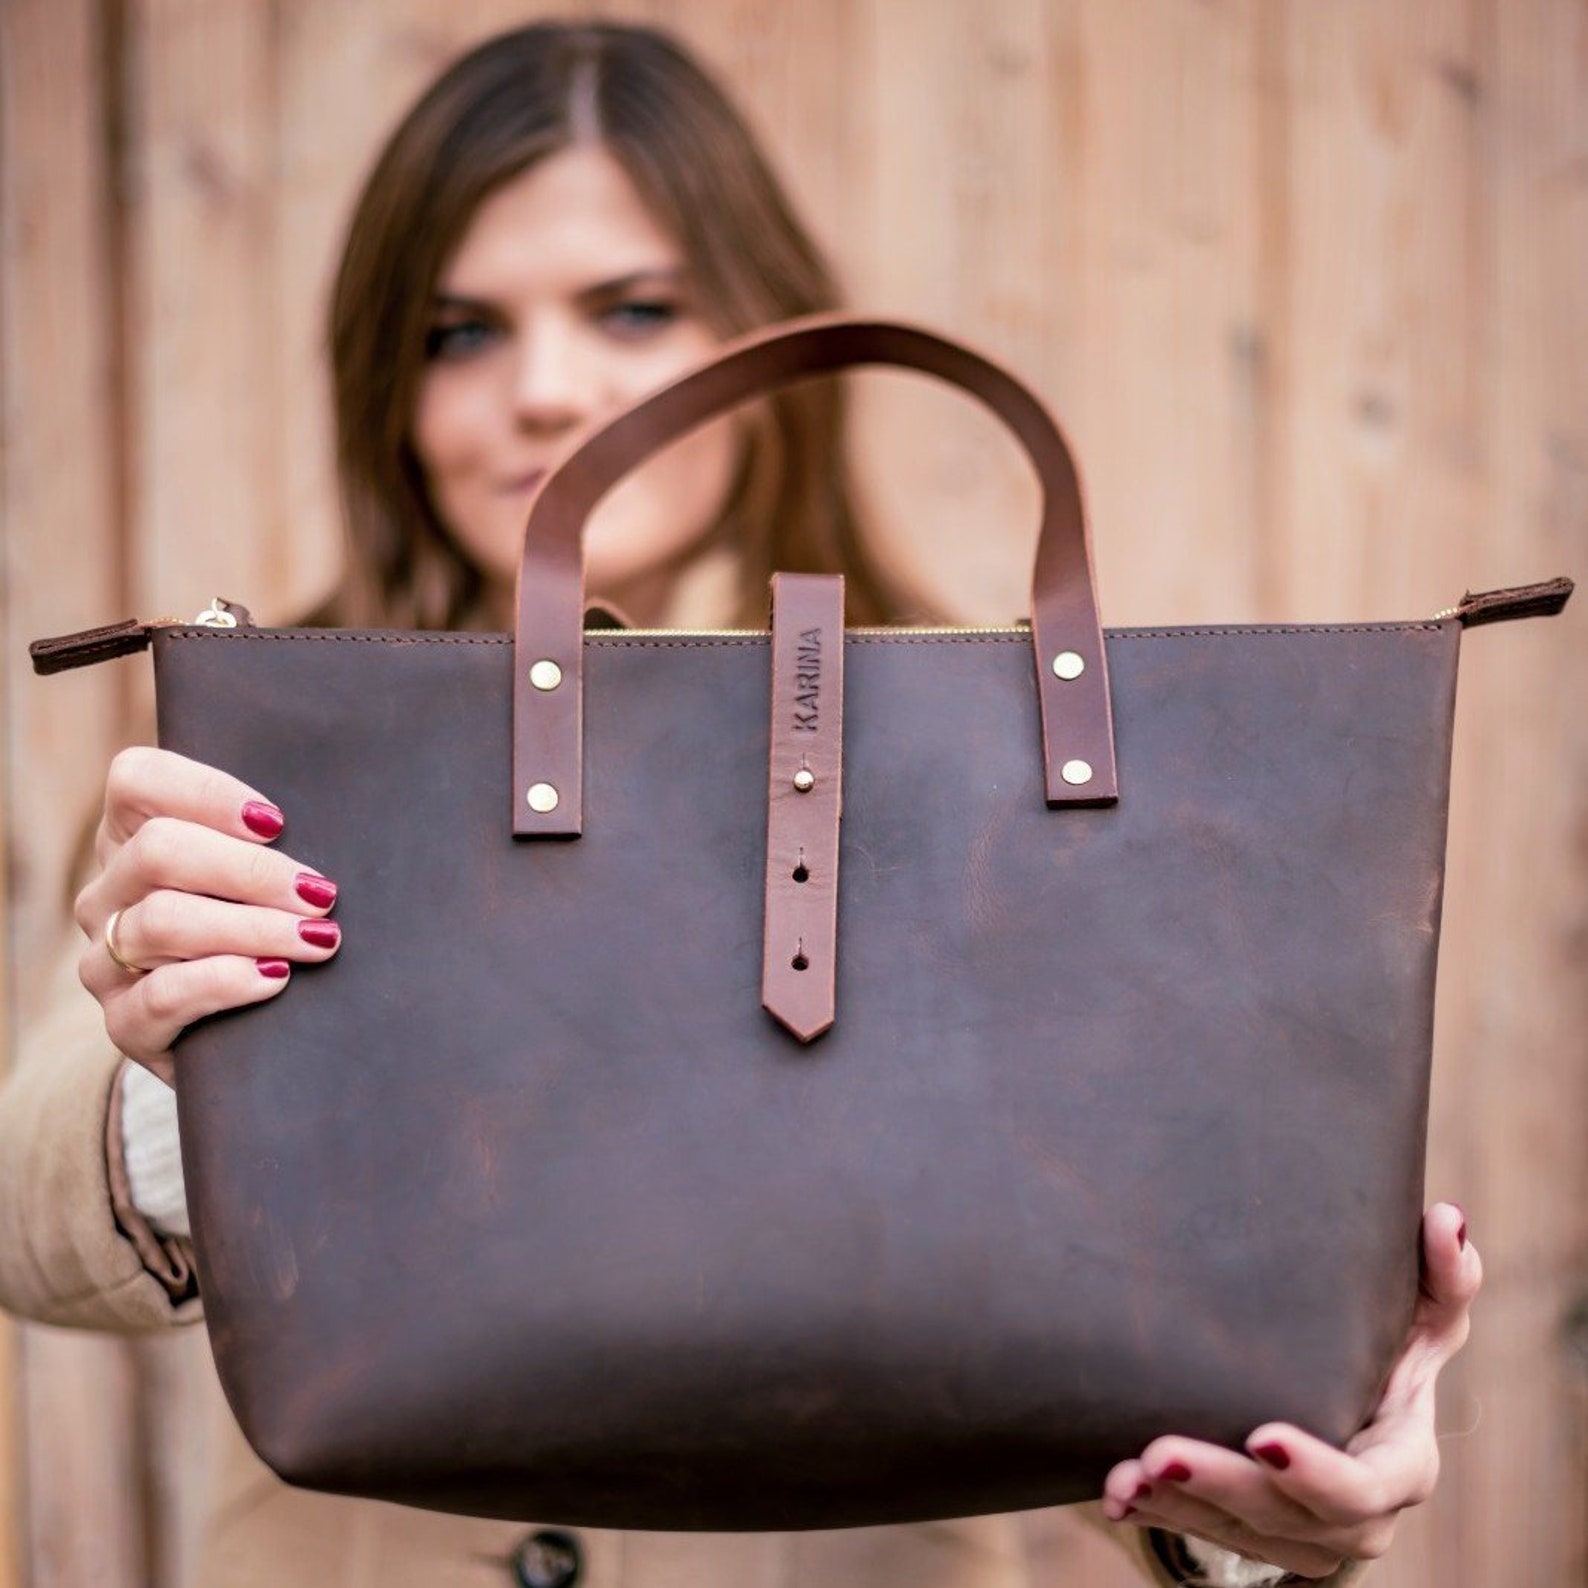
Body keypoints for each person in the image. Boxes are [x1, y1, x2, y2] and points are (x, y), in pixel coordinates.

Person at [0, 21, 1479, 1588]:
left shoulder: (988, 744)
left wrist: (1261, 1504)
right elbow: (26, 1206)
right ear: (388, 382)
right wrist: (212, 1065)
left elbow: (1140, 1301)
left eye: (634, 309)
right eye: (459, 333)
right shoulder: (283, 746)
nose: (547, 392)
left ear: (766, 339)